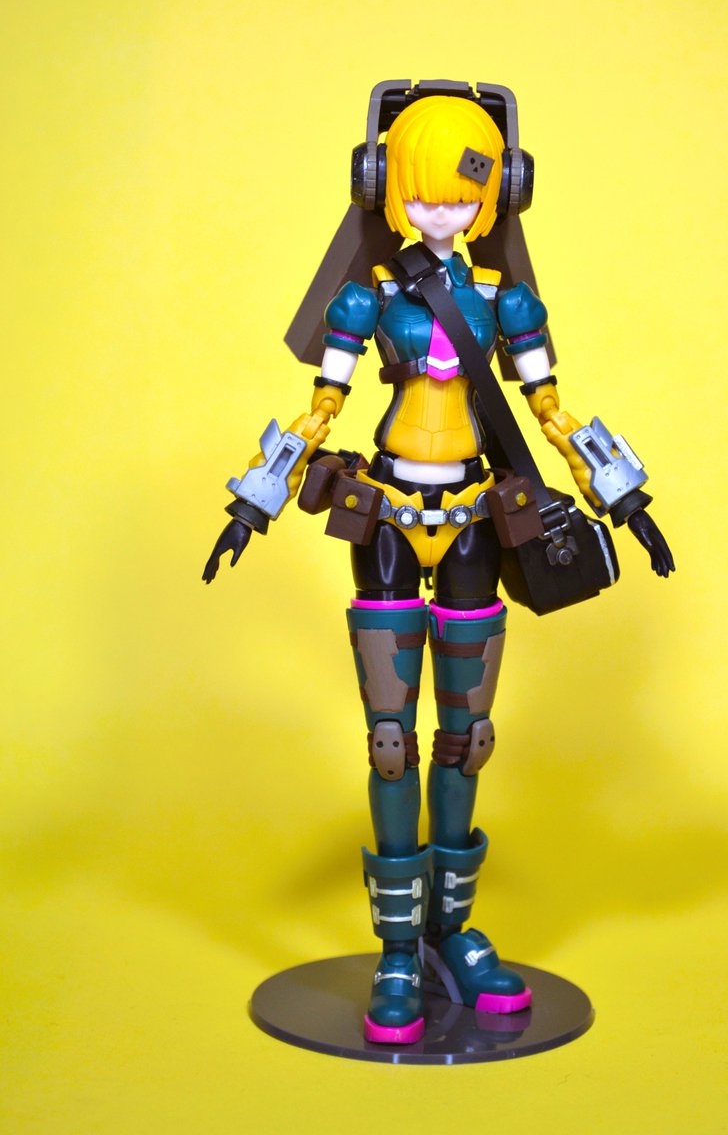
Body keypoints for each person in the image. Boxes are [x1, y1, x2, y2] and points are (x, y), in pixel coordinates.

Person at [204, 89, 674, 1044]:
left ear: (499, 196)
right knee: (391, 740)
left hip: (471, 521)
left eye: (464, 196)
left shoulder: (506, 302)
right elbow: (319, 411)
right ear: (384, 186)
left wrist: (625, 498)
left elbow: (551, 411)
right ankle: (394, 950)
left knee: (467, 737)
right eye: (424, 194)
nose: (444, 211)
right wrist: (252, 503)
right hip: (386, 517)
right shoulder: (368, 299)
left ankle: (451, 934)